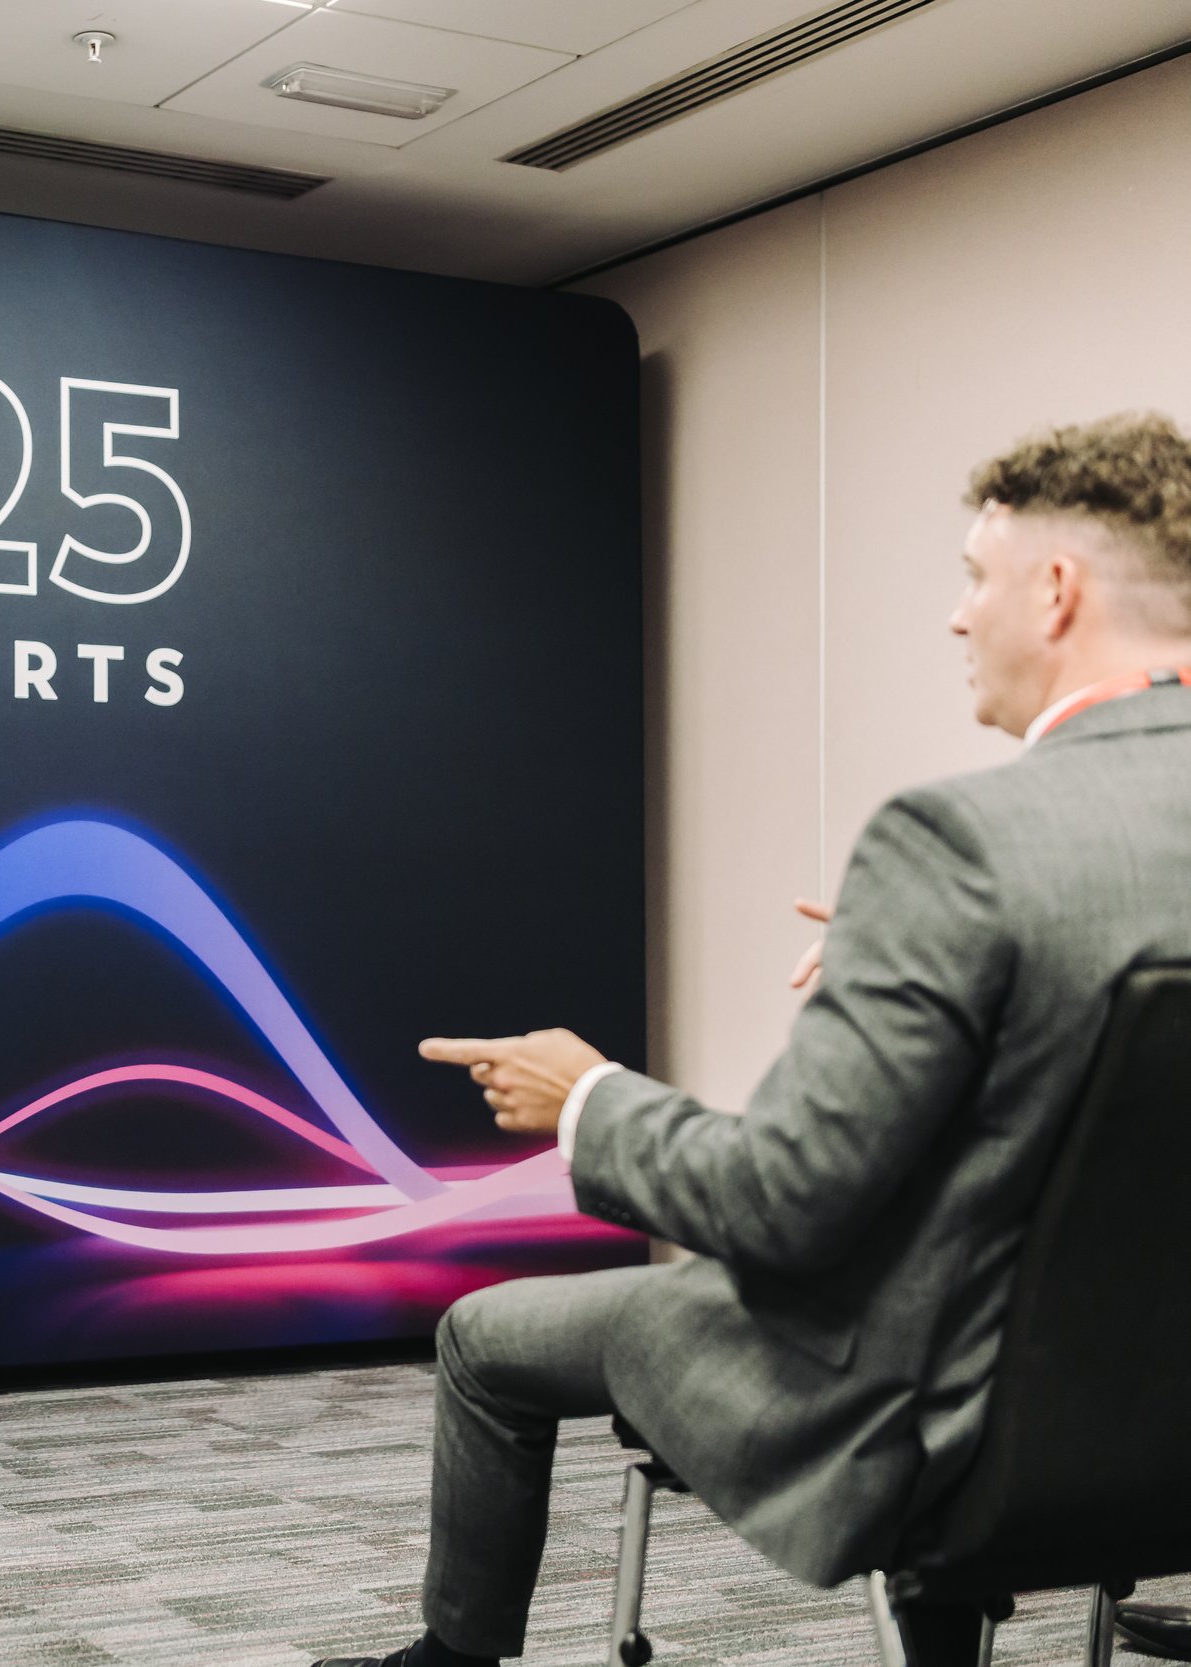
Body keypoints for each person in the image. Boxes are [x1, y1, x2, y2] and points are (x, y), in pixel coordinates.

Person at [314, 412, 1191, 1667]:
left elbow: (782, 1200)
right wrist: (915, 952)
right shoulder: (985, 883)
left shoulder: (962, 843)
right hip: (1152, 1425)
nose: (956, 618)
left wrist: (588, 1097)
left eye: (971, 580)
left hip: (929, 1421)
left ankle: (456, 1659)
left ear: (1055, 592)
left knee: (485, 1336)